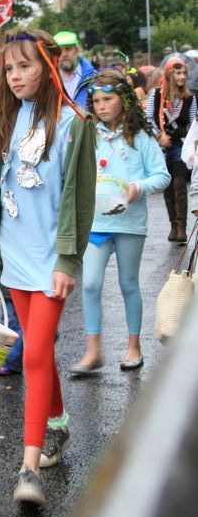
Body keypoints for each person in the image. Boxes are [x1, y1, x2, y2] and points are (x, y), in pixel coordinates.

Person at [0, 28, 96, 506]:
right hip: (15, 256)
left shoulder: (73, 124)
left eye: (25, 65)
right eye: (9, 68)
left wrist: (68, 259)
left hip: (51, 262)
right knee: (40, 353)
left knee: (33, 355)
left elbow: (79, 201)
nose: (17, 75)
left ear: (47, 66)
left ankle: (29, 470)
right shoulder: (6, 119)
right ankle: (59, 428)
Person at [70, 69, 170, 376]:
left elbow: (162, 176)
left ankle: (133, 346)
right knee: (89, 283)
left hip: (129, 223)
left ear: (124, 100)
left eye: (108, 99)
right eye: (96, 100)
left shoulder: (141, 137)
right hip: (96, 223)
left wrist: (138, 187)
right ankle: (93, 350)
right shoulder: (88, 134)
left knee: (128, 283)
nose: (101, 106)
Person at [146, 57, 197, 243]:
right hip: (162, 147)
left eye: (184, 73)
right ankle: (173, 225)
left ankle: (182, 226)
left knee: (179, 185)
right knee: (167, 187)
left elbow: (193, 123)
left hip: (181, 147)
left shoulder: (189, 98)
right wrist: (159, 135)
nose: (182, 77)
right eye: (178, 73)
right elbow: (148, 119)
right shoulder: (157, 95)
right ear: (169, 74)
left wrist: (190, 143)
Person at [53, 30, 95, 108]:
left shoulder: (93, 77)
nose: (64, 54)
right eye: (59, 51)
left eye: (68, 49)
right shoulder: (49, 80)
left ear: (77, 51)